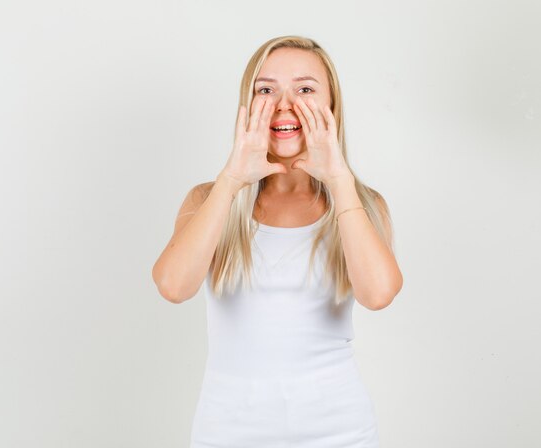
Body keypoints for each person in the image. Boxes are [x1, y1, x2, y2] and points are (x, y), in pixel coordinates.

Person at [152, 35, 403, 448]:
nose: (284, 104)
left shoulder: (363, 204)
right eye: (266, 90)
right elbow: (173, 286)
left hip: (340, 433)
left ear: (332, 108)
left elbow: (378, 294)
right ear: (247, 108)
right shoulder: (209, 200)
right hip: (228, 432)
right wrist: (232, 179)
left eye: (305, 89)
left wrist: (339, 180)